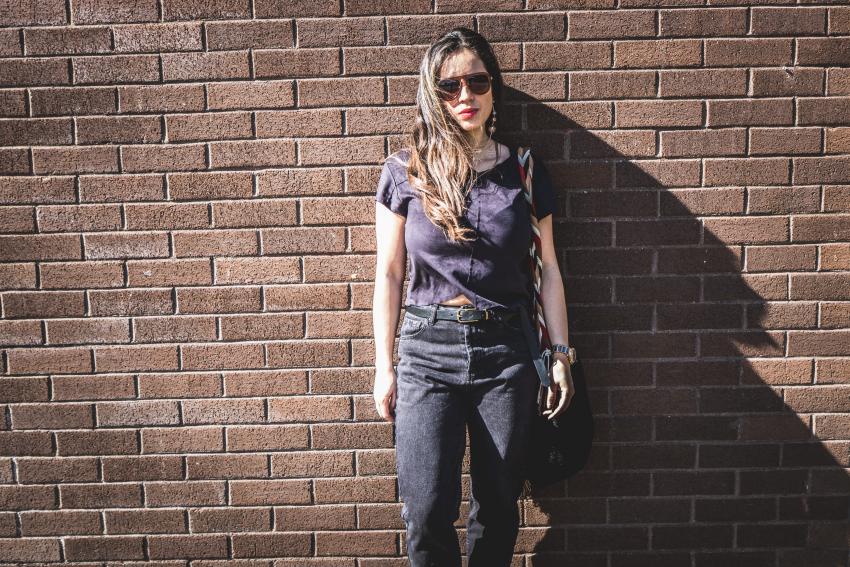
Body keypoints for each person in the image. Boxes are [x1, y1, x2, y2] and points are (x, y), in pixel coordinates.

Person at [371, 27, 576, 567]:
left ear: (494, 89)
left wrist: (560, 355)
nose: (466, 96)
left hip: (506, 353)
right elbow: (389, 274)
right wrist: (383, 366)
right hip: (424, 352)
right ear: (431, 93)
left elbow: (549, 269)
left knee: (499, 509)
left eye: (478, 82)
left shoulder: (524, 171)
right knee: (426, 509)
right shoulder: (404, 171)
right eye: (450, 86)